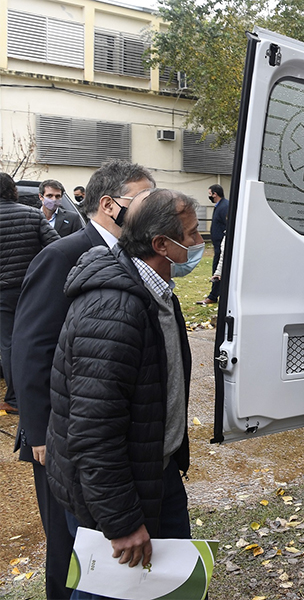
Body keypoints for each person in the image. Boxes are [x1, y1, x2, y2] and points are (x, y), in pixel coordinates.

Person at [45, 189, 203, 600]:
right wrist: (122, 522)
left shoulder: (155, 289)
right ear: (161, 245)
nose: (200, 243)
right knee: (112, 593)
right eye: (192, 235)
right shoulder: (114, 310)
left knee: (169, 588)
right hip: (113, 495)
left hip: (156, 471)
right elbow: (94, 433)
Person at [11, 160, 155, 600]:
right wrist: (38, 431)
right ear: (110, 205)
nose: (157, 207)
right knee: (68, 543)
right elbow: (31, 346)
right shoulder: (63, 253)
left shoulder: (132, 253)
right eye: (146, 200)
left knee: (100, 543)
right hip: (57, 434)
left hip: (100, 426)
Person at [0, 172, 60, 414]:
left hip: (2, 292)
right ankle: (37, 391)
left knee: (8, 344)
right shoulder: (33, 214)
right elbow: (56, 247)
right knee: (30, 341)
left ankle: (15, 399)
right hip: (29, 289)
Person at [196, 184, 228, 305]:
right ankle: (216, 295)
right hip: (218, 245)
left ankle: (213, 296)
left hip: (222, 246)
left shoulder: (224, 206)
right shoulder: (219, 206)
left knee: (217, 272)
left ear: (215, 194)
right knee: (217, 271)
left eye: (210, 193)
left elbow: (228, 225)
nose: (209, 196)